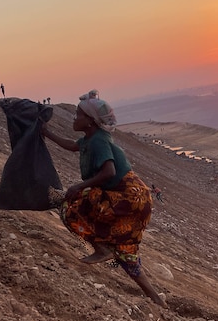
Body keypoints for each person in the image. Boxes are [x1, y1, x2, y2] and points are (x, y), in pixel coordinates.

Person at [41, 89, 165, 307]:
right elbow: (72, 145)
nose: (74, 117)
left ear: (90, 122)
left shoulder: (98, 141)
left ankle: (102, 249)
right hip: (134, 198)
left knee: (71, 209)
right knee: (123, 249)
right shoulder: (91, 138)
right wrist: (47, 133)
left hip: (127, 197)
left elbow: (108, 172)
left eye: (78, 115)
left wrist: (79, 186)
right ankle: (155, 298)